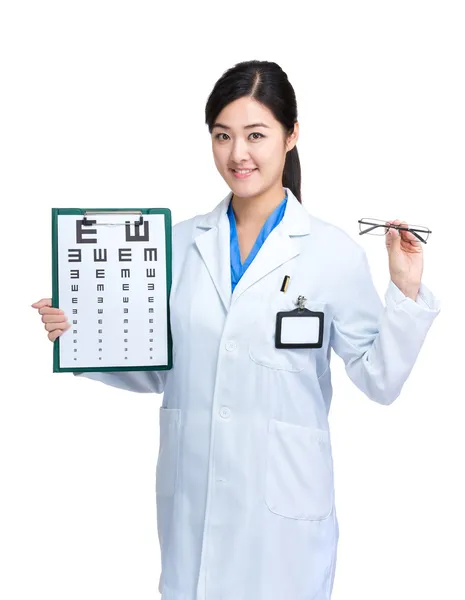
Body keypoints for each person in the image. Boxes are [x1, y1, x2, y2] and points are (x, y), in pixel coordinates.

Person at [32, 60, 441, 600]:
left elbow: (379, 380)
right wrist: (80, 335)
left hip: (285, 522)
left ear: (291, 136)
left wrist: (406, 291)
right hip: (194, 503)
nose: (237, 154)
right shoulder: (178, 244)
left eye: (255, 135)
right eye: (222, 136)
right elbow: (160, 366)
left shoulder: (330, 252)